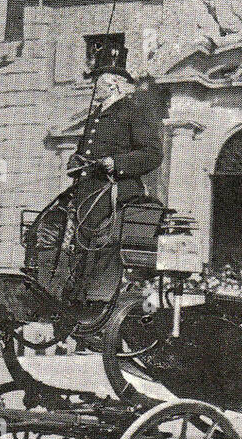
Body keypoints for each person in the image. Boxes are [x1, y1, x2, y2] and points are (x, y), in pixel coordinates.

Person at [38, 47, 162, 301]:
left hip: (118, 187)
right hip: (87, 187)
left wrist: (115, 162)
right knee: (49, 221)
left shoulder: (132, 110)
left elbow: (152, 154)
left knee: (93, 228)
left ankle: (92, 292)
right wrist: (76, 161)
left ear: (115, 85)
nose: (94, 88)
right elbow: (85, 150)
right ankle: (53, 283)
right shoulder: (96, 115)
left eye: (98, 83)